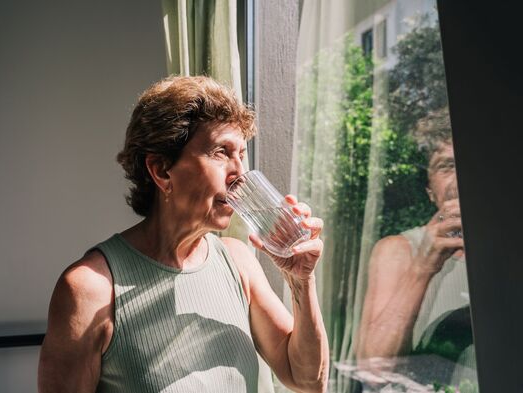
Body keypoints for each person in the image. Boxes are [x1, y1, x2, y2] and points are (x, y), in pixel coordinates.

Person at [38, 76, 329, 393]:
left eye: (241, 155)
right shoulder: (89, 289)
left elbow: (308, 380)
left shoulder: (238, 261)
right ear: (162, 170)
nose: (239, 175)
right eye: (220, 152)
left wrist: (302, 281)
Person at [356, 107, 472, 371]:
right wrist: (423, 267)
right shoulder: (398, 250)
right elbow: (373, 367)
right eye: (446, 166)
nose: (459, 178)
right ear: (430, 191)